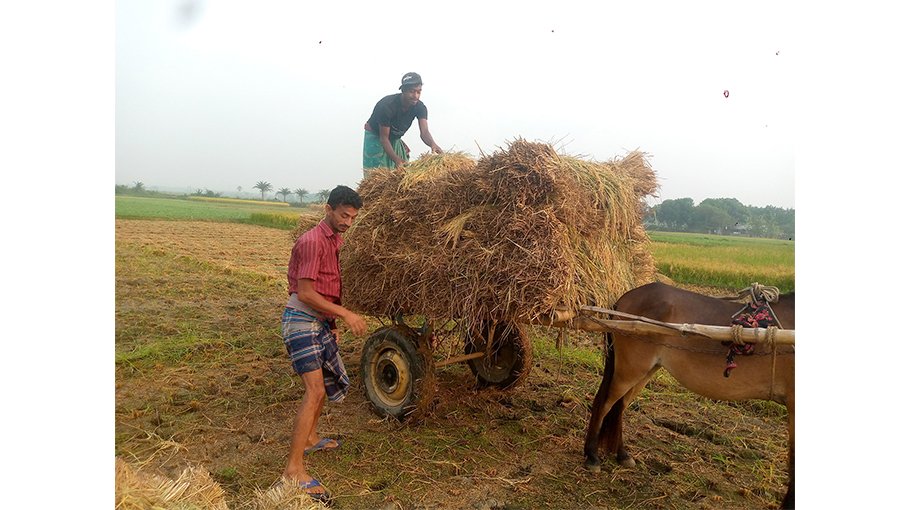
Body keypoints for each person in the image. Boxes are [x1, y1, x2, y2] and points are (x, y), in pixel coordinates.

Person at [280, 185, 368, 503]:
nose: (347, 222)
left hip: (319, 321)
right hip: (301, 319)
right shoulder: (312, 241)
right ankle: (293, 470)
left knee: (325, 386)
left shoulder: (335, 241)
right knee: (315, 391)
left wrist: (331, 324)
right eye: (343, 215)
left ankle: (310, 439)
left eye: (352, 217)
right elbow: (305, 292)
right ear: (328, 209)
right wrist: (345, 314)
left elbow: (328, 286)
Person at [362, 72, 443, 177]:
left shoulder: (420, 107)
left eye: (419, 92)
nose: (415, 96)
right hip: (376, 136)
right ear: (403, 90)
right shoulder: (387, 106)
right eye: (412, 91)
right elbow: (384, 138)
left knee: (402, 173)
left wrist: (432, 144)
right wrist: (397, 159)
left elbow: (424, 132)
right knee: (378, 175)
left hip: (394, 137)